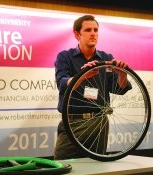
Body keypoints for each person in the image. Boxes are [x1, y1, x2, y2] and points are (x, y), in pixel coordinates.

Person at [54, 15, 131, 160]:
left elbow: (119, 89)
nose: (93, 33)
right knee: (63, 165)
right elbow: (62, 84)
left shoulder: (106, 58)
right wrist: (82, 75)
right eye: (88, 30)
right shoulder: (65, 57)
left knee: (96, 167)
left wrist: (122, 74)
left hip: (98, 123)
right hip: (72, 123)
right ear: (77, 34)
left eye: (96, 30)